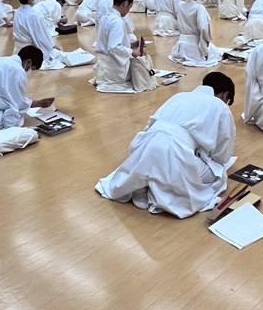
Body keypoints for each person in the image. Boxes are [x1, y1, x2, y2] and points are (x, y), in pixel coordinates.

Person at [95, 72, 237, 218]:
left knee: (152, 159)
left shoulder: (179, 96)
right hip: (175, 151)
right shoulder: (220, 106)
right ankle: (152, 186)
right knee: (217, 174)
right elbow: (223, 152)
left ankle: (140, 182)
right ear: (225, 96)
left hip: (144, 143)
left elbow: (151, 124)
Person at [94, 0, 153, 93]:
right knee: (143, 74)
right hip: (112, 70)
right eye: (129, 8)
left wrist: (130, 44)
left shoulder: (105, 17)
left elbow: (107, 42)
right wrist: (132, 52)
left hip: (102, 68)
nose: (128, 11)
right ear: (125, 4)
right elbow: (113, 47)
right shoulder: (117, 21)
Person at [170, 0, 222, 68]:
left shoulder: (179, 5)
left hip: (181, 43)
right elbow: (203, 27)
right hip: (195, 44)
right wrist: (206, 41)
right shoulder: (199, 7)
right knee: (215, 53)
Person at [13, 0, 63, 66]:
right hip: (29, 50)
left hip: (17, 49)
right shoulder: (33, 15)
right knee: (55, 55)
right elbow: (40, 36)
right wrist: (52, 46)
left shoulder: (17, 12)